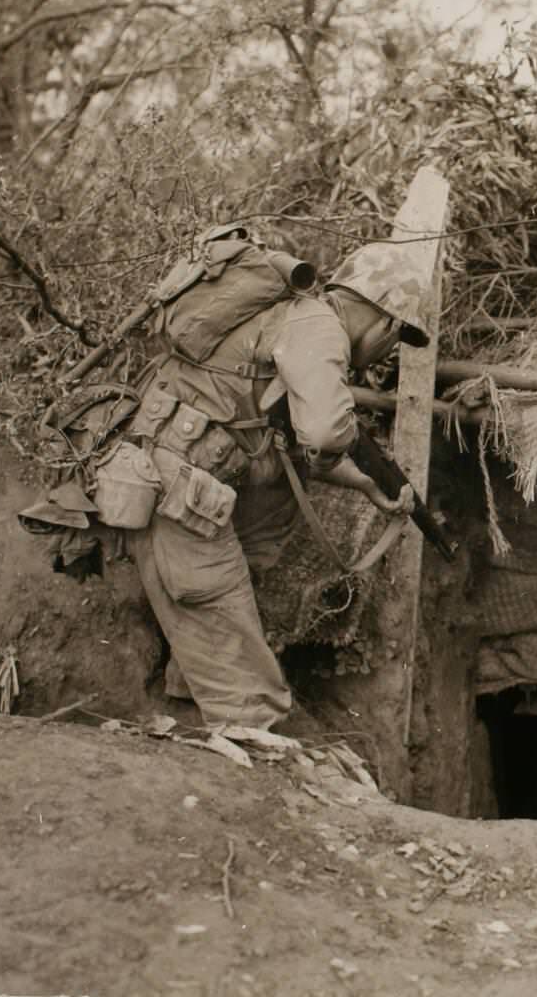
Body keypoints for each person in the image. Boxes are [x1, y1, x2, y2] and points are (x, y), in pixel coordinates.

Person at [122, 233, 427, 730]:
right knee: (248, 689)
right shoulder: (319, 327)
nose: (390, 349)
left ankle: (191, 709)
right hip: (183, 493)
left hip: (176, 480)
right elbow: (326, 432)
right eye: (396, 337)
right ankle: (247, 742)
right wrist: (352, 441)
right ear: (386, 319)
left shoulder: (294, 319)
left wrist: (367, 485)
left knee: (234, 582)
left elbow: (301, 449)